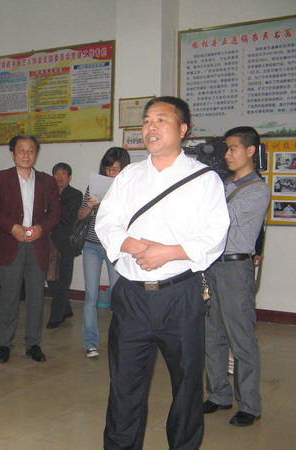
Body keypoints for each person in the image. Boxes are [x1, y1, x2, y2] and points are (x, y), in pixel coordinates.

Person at [95, 96, 230, 449]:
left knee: (187, 385)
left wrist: (168, 252)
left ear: (183, 129)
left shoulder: (203, 178)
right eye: (146, 121)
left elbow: (215, 233)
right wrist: (131, 245)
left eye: (161, 120)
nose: (150, 127)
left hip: (179, 295)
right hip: (132, 297)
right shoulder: (129, 175)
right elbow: (106, 221)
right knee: (124, 385)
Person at [203, 126, 270, 427]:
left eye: (233, 148)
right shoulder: (225, 183)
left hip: (235, 269)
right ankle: (218, 394)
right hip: (213, 266)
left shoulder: (257, 189)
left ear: (250, 150)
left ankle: (250, 405)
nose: (227, 154)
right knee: (213, 335)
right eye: (226, 149)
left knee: (241, 339)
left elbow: (220, 219)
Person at [0, 135, 60, 363]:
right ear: (13, 154)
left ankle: (33, 344)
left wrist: (41, 228)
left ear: (36, 154)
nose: (26, 154)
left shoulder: (47, 181)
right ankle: (4, 344)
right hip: (11, 244)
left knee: (36, 298)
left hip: (37, 244)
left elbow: (55, 213)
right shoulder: (0, 178)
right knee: (8, 297)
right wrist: (12, 227)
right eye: (21, 150)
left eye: (31, 150)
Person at [78, 147, 130, 358]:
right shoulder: (95, 186)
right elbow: (81, 215)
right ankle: (90, 344)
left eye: (115, 169)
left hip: (114, 247)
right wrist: (90, 206)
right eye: (108, 169)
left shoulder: (129, 189)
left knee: (119, 295)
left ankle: (120, 341)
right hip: (91, 245)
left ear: (124, 169)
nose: (111, 173)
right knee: (91, 296)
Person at [46, 162, 82, 329]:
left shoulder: (75, 194)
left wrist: (56, 201)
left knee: (63, 281)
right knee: (51, 279)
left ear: (69, 177)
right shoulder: (48, 193)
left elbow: (69, 217)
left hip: (66, 244)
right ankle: (66, 310)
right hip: (48, 242)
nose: (59, 177)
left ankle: (56, 317)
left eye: (63, 174)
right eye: (56, 174)